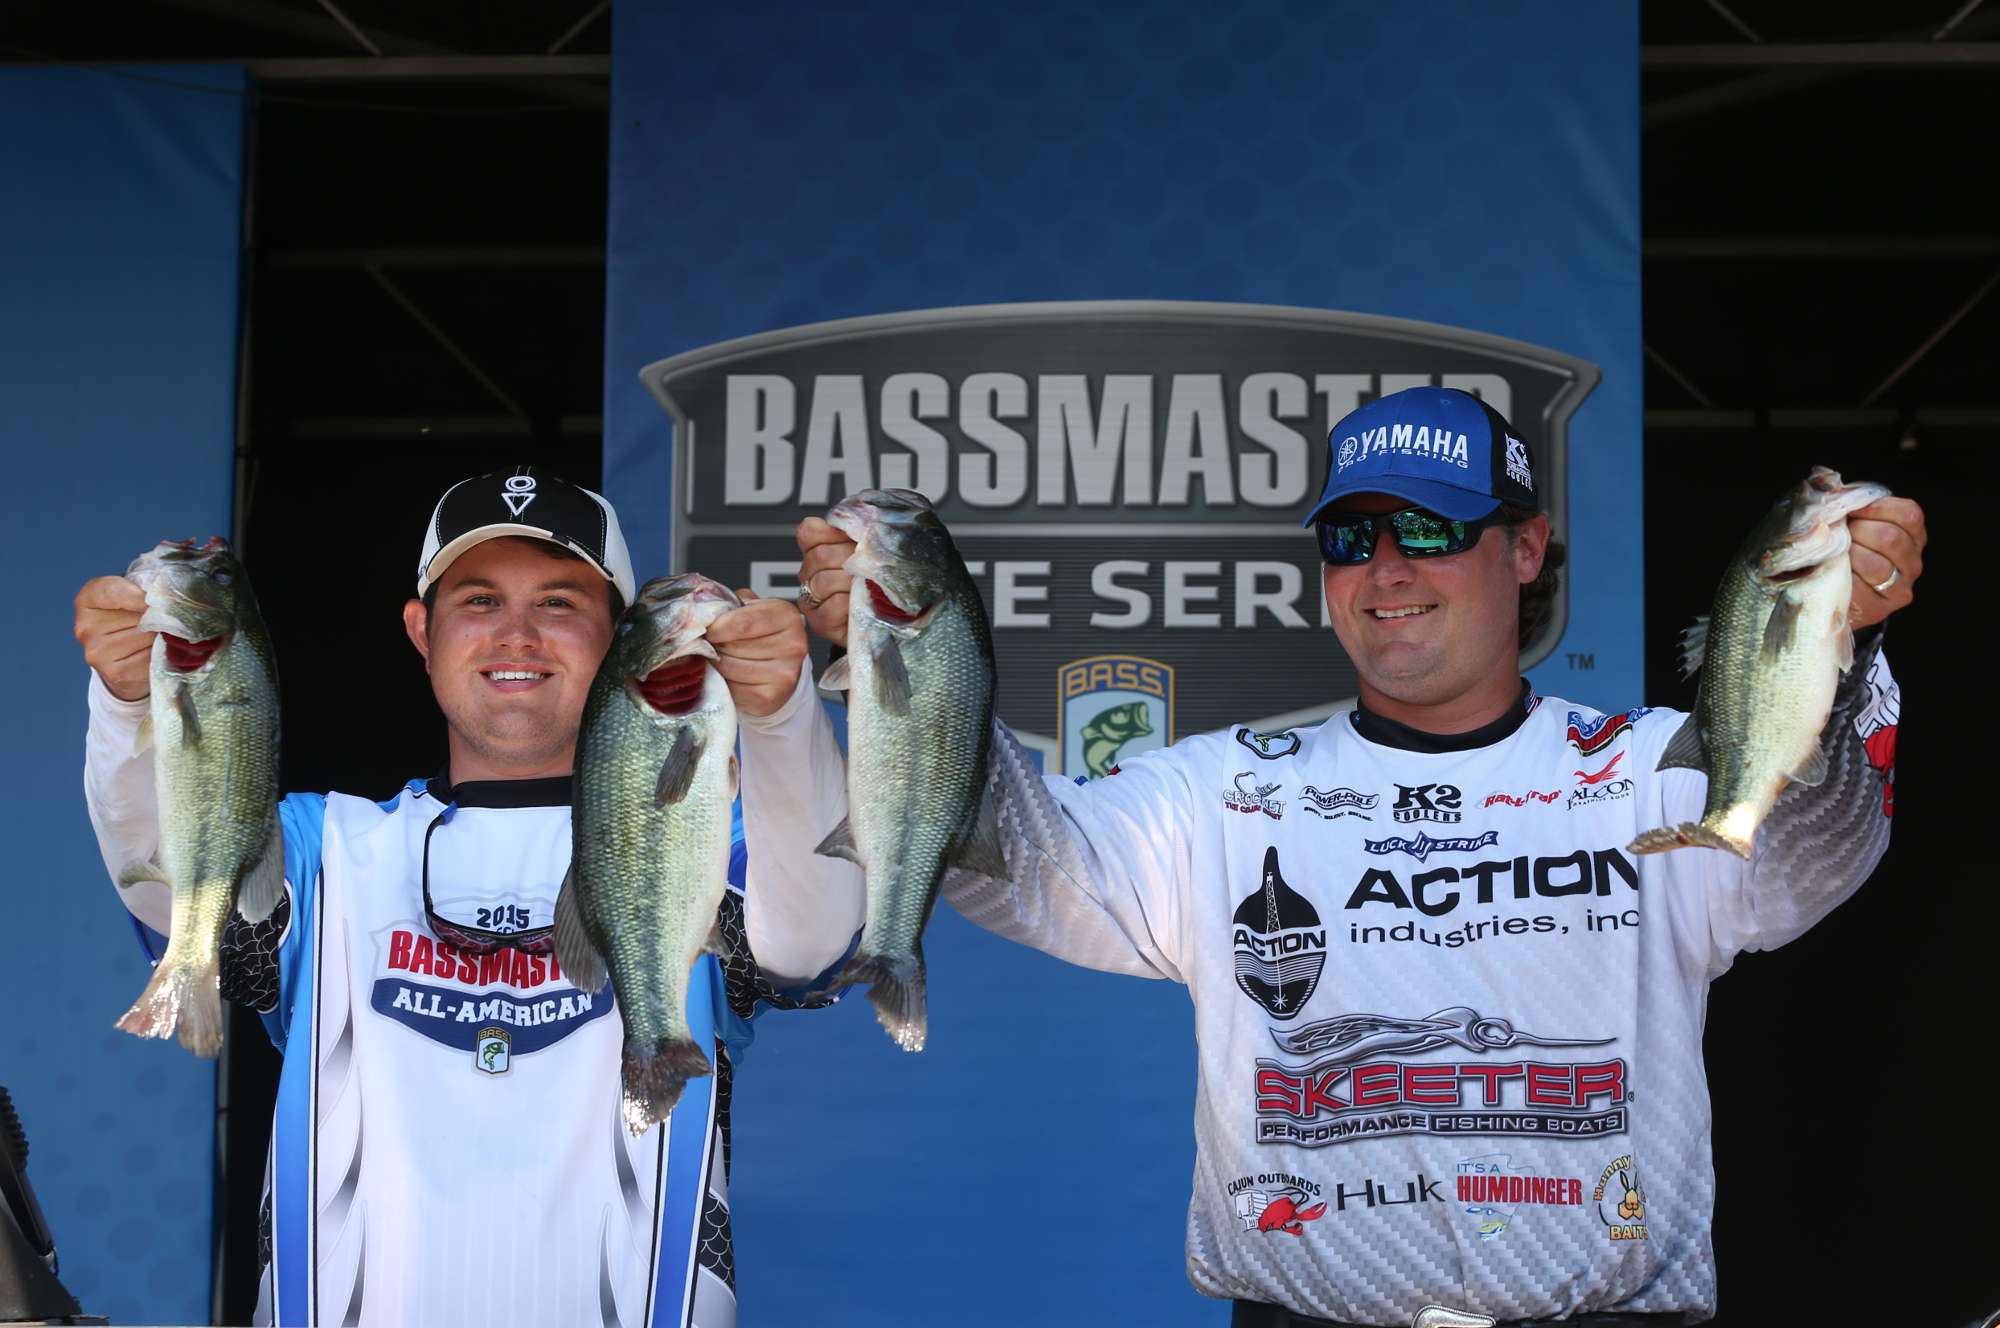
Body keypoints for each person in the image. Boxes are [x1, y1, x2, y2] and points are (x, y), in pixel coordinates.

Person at [789, 387, 1926, 1328]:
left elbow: (1811, 854)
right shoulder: (1223, 787)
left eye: (1428, 529)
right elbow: (1021, 860)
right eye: (1350, 536)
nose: (1385, 567)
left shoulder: (1651, 766)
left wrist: (1838, 632)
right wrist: (905, 644)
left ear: (1524, 546)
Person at [74, 467, 861, 1328]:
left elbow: (811, 936)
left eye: (559, 603)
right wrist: (126, 705)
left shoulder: (702, 846)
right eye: (479, 601)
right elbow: (166, 889)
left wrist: (782, 716)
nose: (516, 635)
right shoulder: (324, 848)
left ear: (616, 637)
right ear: (422, 629)